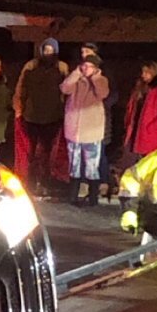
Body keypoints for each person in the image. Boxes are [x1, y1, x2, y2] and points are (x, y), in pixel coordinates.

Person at [13, 38, 69, 196]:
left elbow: (66, 92)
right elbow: (21, 90)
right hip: (32, 116)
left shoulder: (62, 68)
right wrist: (19, 109)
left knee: (47, 153)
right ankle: (31, 183)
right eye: (46, 50)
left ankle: (44, 182)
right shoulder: (31, 67)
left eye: (51, 50)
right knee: (32, 153)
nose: (48, 53)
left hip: (52, 117)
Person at [60, 54, 111, 206]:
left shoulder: (102, 80)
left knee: (91, 166)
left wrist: (94, 78)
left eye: (88, 66)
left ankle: (93, 198)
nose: (85, 68)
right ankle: (73, 196)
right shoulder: (77, 79)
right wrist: (76, 73)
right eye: (84, 65)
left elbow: (103, 93)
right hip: (74, 130)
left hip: (92, 131)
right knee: (73, 165)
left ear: (95, 68)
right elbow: (64, 88)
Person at [123, 60, 157, 167]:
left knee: (149, 162)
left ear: (153, 73)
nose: (143, 75)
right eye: (143, 72)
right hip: (135, 130)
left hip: (148, 133)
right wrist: (128, 122)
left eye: (146, 72)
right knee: (130, 160)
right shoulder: (139, 88)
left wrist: (152, 126)